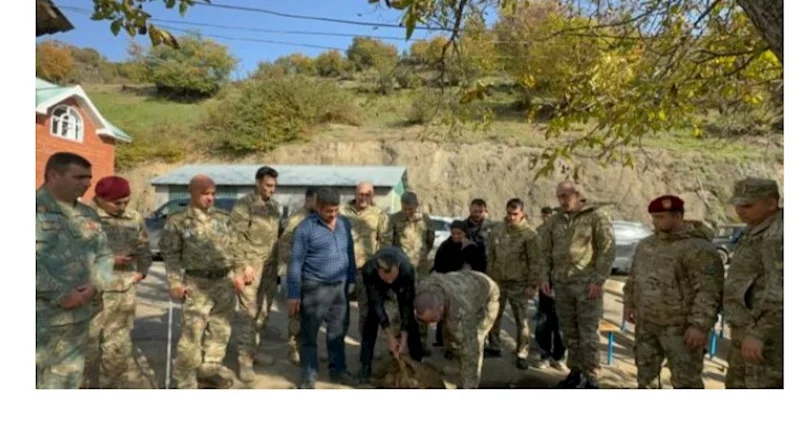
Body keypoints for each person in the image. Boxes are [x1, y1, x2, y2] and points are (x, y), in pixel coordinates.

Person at [622, 195, 724, 388]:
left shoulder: (699, 248)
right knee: (645, 378)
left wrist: (699, 326)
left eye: (661, 217)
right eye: (654, 217)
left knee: (686, 382)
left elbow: (708, 291)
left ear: (678, 216)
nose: (655, 221)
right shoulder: (647, 245)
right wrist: (629, 303)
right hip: (647, 325)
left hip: (681, 329)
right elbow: (634, 277)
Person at [36, 152, 113, 389]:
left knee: (66, 382)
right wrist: (61, 294)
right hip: (40, 317)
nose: (87, 183)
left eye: (89, 177)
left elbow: (105, 255)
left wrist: (96, 285)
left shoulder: (88, 214)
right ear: (53, 175)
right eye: (79, 177)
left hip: (78, 319)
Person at [160, 175, 238, 389]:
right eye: (205, 194)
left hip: (224, 282)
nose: (210, 198)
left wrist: (239, 272)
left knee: (220, 331)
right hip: (197, 283)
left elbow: (235, 249)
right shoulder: (177, 221)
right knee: (192, 335)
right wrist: (175, 283)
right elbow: (171, 255)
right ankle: (185, 381)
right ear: (191, 192)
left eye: (213, 194)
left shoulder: (223, 218)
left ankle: (209, 371)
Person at [538, 181, 615, 388]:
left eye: (566, 196)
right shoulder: (555, 220)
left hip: (587, 287)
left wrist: (599, 280)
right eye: (559, 196)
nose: (562, 200)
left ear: (578, 195)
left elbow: (606, 251)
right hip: (562, 286)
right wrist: (544, 278)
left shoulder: (596, 217)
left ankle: (591, 378)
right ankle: (575, 372)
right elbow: (544, 252)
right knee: (569, 332)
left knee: (588, 334)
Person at [83, 176, 152, 389]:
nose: (123, 207)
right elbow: (71, 255)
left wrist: (142, 271)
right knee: (87, 347)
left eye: (126, 202)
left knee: (118, 348)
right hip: (89, 293)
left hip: (123, 291)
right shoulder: (84, 216)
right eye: (117, 203)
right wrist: (110, 260)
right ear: (100, 199)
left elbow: (144, 246)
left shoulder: (134, 218)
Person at [286, 187, 358, 389]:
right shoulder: (305, 229)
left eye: (336, 210)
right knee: (309, 335)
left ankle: (338, 370)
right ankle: (309, 375)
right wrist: (293, 294)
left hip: (340, 289)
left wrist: (351, 281)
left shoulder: (344, 223)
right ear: (317, 207)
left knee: (337, 332)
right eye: (328, 211)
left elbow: (350, 253)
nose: (333, 214)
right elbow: (295, 263)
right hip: (314, 289)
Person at [723, 178, 783, 388]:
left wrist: (759, 334)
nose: (740, 211)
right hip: (746, 329)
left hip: (769, 337)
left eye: (748, 205)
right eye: (737, 204)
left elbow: (781, 290)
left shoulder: (778, 236)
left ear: (771, 204)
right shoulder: (756, 229)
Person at [229, 166, 282, 382]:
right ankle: (244, 361)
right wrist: (243, 265)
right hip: (250, 269)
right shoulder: (244, 206)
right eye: (269, 185)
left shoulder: (275, 207)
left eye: (274, 186)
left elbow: (275, 237)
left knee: (263, 313)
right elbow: (234, 238)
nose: (272, 190)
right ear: (258, 183)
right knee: (248, 314)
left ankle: (254, 351)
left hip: (270, 268)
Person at [414, 271, 500, 389]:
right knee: (450, 337)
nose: (431, 324)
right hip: (464, 283)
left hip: (487, 297)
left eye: (434, 319)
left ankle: (471, 384)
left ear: (441, 308)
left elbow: (471, 353)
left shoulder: (460, 313)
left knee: (474, 342)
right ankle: (458, 365)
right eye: (426, 321)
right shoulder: (422, 289)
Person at [485, 198, 540, 370]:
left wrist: (532, 285)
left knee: (521, 321)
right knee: (494, 316)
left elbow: (535, 261)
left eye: (515, 214)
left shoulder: (530, 235)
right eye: (509, 213)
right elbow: (491, 256)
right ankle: (494, 346)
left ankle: (522, 353)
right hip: (498, 281)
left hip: (519, 283)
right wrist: (490, 278)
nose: (511, 217)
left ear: (522, 213)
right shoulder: (497, 230)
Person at [357, 246, 424, 384]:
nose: (390, 283)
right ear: (378, 271)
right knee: (370, 319)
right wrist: (389, 336)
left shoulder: (407, 270)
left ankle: (417, 360)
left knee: (410, 318)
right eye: (387, 279)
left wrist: (404, 339)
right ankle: (365, 365)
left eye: (392, 278)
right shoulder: (369, 270)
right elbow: (376, 305)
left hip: (403, 281)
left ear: (397, 268)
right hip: (376, 285)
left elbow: (406, 306)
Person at [385, 192, 436, 354]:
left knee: (421, 306)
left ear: (417, 205)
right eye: (405, 208)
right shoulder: (393, 220)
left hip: (420, 270)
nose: (408, 212)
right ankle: (398, 342)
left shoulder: (425, 220)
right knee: (398, 307)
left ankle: (421, 342)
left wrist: (420, 257)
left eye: (411, 208)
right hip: (400, 271)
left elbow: (430, 241)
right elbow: (389, 244)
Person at [339, 182, 391, 337]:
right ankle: (336, 346)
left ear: (372, 196)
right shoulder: (341, 212)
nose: (363, 198)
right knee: (338, 310)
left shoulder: (380, 215)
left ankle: (365, 350)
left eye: (367, 195)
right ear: (355, 194)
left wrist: (380, 267)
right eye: (360, 194)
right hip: (342, 269)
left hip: (366, 270)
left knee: (367, 311)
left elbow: (385, 242)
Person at [431, 220, 487, 350]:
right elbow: (438, 265)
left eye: (459, 233)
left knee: (459, 318)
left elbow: (479, 270)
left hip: (465, 288)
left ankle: (456, 345)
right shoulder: (445, 246)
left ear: (464, 233)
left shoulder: (472, 248)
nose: (456, 236)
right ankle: (442, 340)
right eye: (453, 233)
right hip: (447, 285)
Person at [277, 187, 317, 365]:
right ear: (308, 200)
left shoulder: (317, 217)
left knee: (311, 315)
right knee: (295, 314)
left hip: (312, 274)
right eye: (316, 201)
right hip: (296, 273)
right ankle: (294, 349)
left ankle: (308, 347)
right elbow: (284, 243)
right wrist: (290, 266)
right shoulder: (297, 218)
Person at [532, 206, 566, 370]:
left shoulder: (566, 232)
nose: (547, 218)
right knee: (544, 321)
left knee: (560, 322)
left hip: (563, 283)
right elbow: (536, 258)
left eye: (550, 215)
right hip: (545, 281)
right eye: (545, 215)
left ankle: (558, 356)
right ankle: (544, 354)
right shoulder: (539, 232)